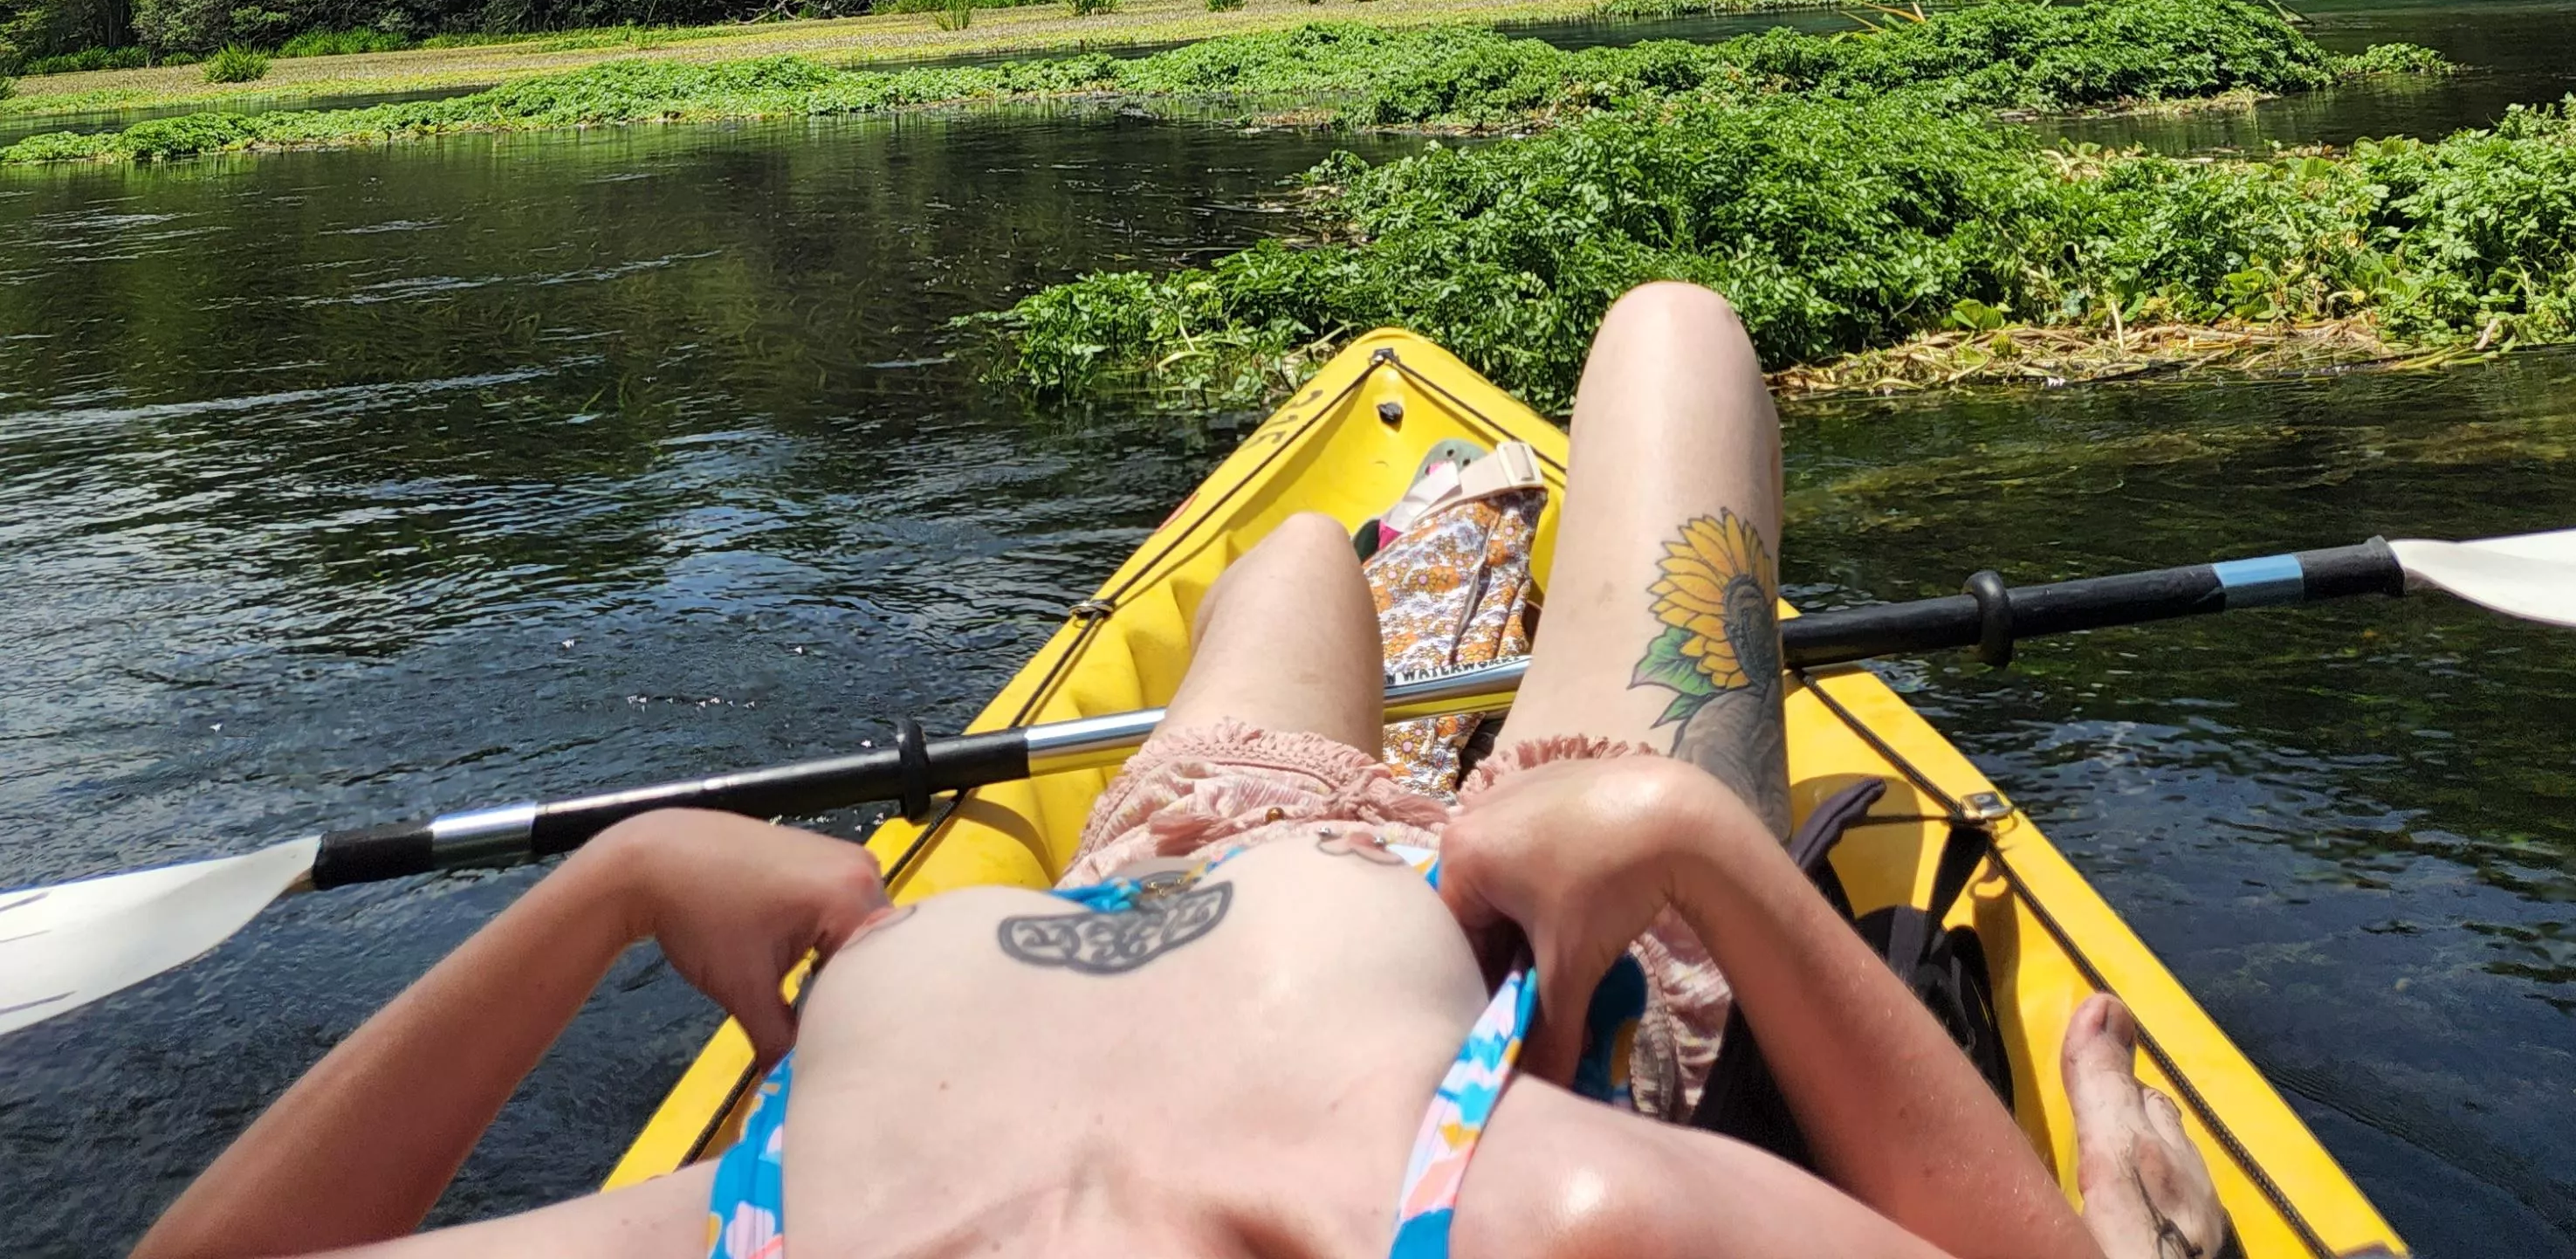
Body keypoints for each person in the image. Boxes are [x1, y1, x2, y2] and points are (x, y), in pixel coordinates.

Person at [134, 286, 2234, 1259]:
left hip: (1172, 833)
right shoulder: (1525, 1204)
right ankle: (1496, 677)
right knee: (1671, 333)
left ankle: (1415, 599)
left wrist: (605, 885)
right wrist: (1688, 834)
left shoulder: (742, 1235)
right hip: (1561, 906)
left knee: (1299, 551)